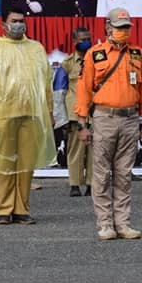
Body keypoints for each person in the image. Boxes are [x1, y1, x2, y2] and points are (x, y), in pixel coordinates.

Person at [75, 7, 142, 240]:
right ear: (107, 27)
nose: (123, 31)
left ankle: (123, 223)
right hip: (103, 117)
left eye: (127, 27)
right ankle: (105, 224)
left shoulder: (137, 54)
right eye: (119, 27)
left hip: (129, 118)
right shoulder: (95, 54)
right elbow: (84, 89)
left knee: (124, 173)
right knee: (101, 173)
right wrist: (82, 124)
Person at [0, 10, 56, 225]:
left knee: (26, 164)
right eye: (14, 21)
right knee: (4, 163)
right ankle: (3, 209)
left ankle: (22, 209)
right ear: (4, 25)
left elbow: (46, 84)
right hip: (4, 114)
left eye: (21, 21)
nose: (18, 25)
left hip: (31, 114)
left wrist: (48, 112)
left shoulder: (36, 49)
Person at [52, 27, 92, 197]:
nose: (86, 42)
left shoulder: (97, 61)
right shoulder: (67, 64)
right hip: (75, 114)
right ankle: (75, 184)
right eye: (82, 39)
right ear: (74, 42)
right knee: (75, 150)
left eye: (88, 38)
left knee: (94, 151)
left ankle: (92, 184)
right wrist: (61, 119)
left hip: (95, 113)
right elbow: (59, 93)